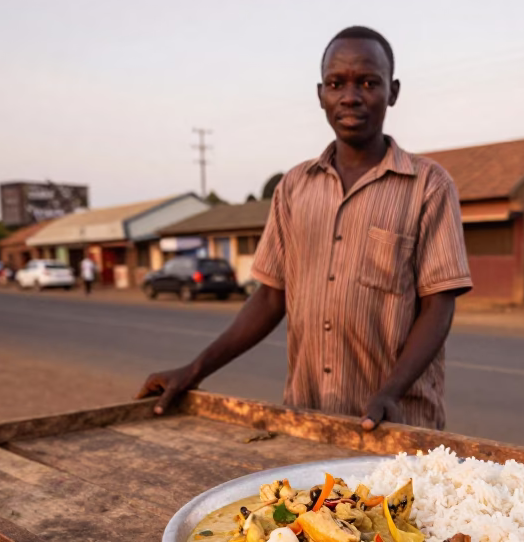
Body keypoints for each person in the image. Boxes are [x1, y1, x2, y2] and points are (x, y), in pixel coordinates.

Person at [138, 26, 471, 431]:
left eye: (368, 82)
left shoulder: (429, 185)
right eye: (336, 83)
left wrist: (390, 392)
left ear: (393, 91)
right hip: (308, 423)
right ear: (321, 95)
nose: (350, 96)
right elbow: (269, 298)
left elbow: (439, 306)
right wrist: (195, 370)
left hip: (396, 424)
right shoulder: (294, 187)